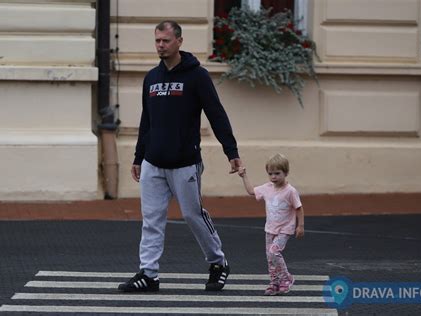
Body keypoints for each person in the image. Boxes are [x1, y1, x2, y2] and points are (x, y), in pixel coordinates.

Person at [118, 20, 242, 293]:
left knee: (192, 215)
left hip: (185, 163)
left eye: (165, 40)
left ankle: (218, 263)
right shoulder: (151, 78)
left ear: (179, 42)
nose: (160, 45)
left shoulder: (197, 76)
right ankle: (149, 274)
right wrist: (139, 158)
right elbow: (146, 121)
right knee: (151, 220)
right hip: (153, 162)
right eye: (157, 41)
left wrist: (230, 151)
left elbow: (216, 114)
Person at [238, 153, 304, 296]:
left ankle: (287, 278)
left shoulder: (290, 191)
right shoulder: (267, 188)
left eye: (277, 173)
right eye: (270, 174)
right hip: (270, 228)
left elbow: (299, 208)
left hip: (285, 229)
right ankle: (274, 282)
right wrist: (244, 176)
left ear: (285, 172)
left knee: (274, 251)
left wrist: (300, 226)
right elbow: (251, 191)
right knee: (270, 257)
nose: (273, 177)